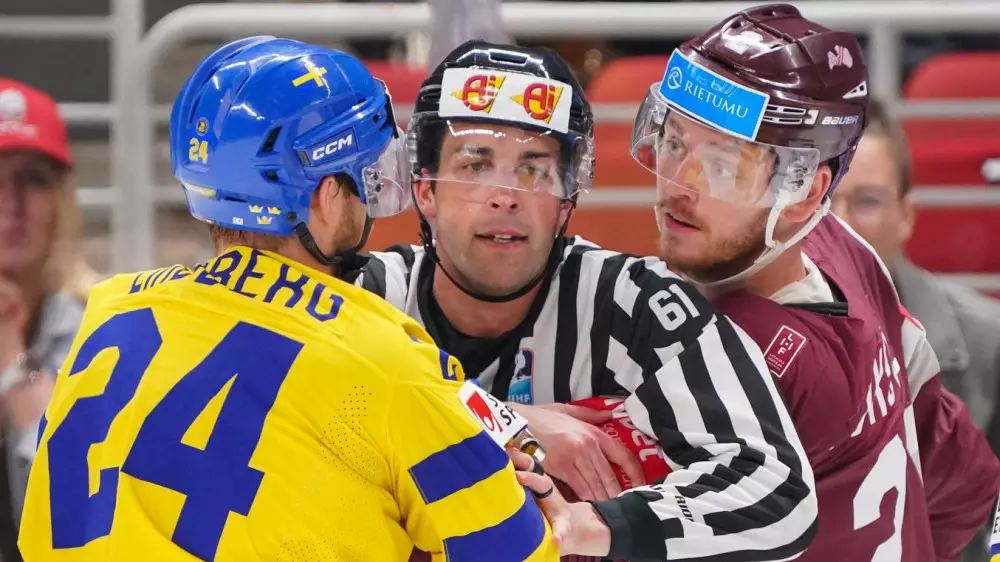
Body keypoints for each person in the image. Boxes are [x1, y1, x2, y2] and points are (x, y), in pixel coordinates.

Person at [18, 36, 566, 561]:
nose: (373, 196)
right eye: (365, 178)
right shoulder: (386, 360)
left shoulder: (110, 310)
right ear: (326, 198)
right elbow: (519, 552)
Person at [357, 40, 818, 561]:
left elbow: (780, 491)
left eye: (534, 170)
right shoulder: (365, 296)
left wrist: (583, 525)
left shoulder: (634, 303)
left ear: (566, 200)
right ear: (425, 189)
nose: (505, 197)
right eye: (475, 166)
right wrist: (502, 422)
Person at [626, 4, 1000, 560]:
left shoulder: (726, 360)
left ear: (804, 192)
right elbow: (963, 478)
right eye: (674, 143)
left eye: (723, 167)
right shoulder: (846, 251)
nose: (679, 185)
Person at [832, 97, 1000, 562]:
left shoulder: (989, 343)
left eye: (866, 201)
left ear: (907, 215)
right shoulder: (734, 334)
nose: (838, 223)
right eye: (821, 197)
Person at [0, 77, 99, 561]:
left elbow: (82, 524)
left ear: (61, 203)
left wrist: (13, 360)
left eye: (34, 179)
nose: (10, 203)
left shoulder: (99, 331)